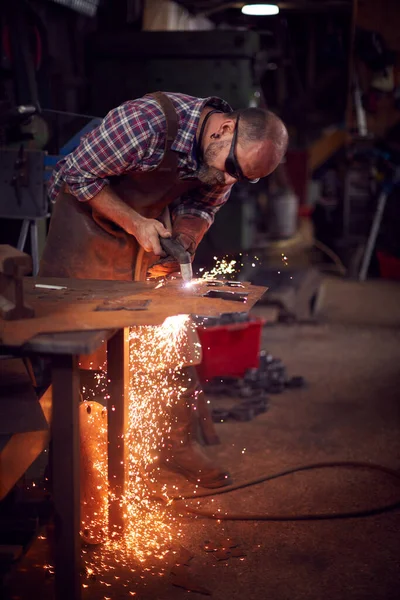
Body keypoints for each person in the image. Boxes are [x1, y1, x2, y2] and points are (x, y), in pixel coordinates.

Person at [39, 91, 288, 488]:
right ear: (225, 129)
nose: (229, 180)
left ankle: (176, 447)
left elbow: (205, 205)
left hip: (150, 239)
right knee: (86, 354)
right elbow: (75, 175)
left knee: (174, 341)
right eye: (232, 168)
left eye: (242, 178)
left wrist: (186, 239)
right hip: (88, 237)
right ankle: (78, 467)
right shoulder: (146, 124)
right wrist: (135, 224)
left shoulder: (225, 158)